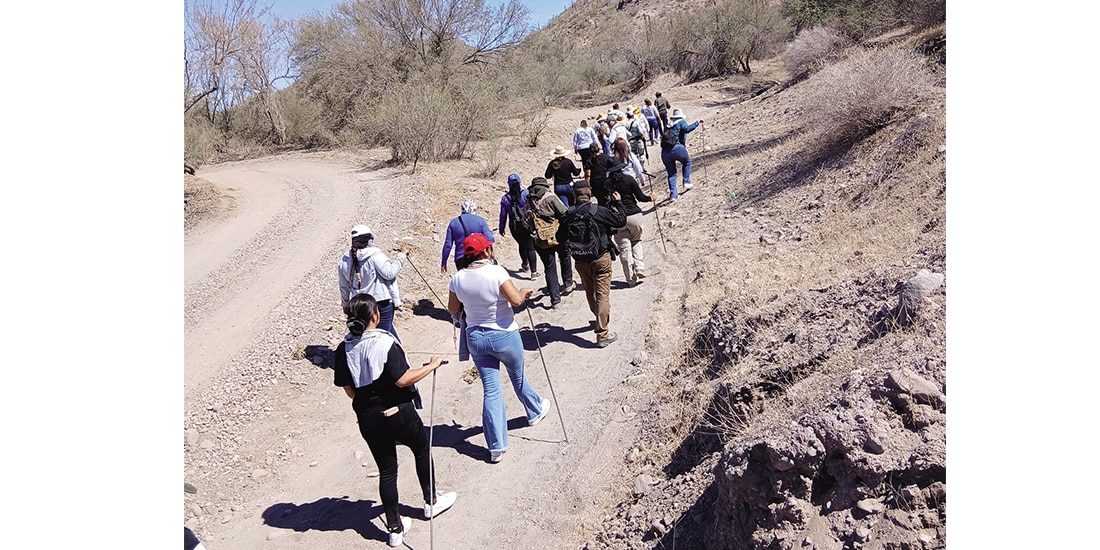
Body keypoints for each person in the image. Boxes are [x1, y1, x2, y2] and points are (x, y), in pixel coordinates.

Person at [333, 293, 458, 547]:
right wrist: (431, 366)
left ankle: (394, 529)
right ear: (375, 316)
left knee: (387, 470)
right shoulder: (385, 342)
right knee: (421, 448)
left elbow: (348, 389)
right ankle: (431, 501)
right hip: (397, 411)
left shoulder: (343, 348)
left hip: (368, 417)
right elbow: (403, 379)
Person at [447, 233, 551, 463]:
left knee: (491, 390)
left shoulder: (458, 278)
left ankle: (496, 446)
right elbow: (515, 301)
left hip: (475, 336)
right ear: (486, 252)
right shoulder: (496, 271)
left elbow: (453, 308)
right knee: (518, 377)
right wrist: (524, 292)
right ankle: (534, 411)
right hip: (503, 334)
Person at [563, 186, 627, 348]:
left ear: (574, 195)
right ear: (590, 194)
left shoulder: (568, 214)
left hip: (580, 260)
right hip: (601, 257)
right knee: (602, 296)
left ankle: (600, 317)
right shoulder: (599, 210)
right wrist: (618, 203)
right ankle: (603, 334)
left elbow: (560, 236)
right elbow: (620, 221)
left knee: (590, 293)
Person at [338, 224, 406, 340]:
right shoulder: (375, 255)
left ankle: (400, 355)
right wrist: (401, 256)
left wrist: (345, 304)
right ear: (368, 240)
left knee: (371, 336)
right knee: (384, 338)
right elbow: (389, 273)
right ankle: (397, 356)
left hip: (360, 305)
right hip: (381, 303)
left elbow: (343, 286)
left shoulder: (344, 260)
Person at [527, 177, 575, 307]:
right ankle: (568, 283)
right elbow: (564, 213)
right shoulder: (551, 197)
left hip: (540, 239)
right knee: (565, 256)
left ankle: (555, 299)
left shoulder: (529, 200)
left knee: (549, 267)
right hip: (557, 235)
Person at [605, 157, 653, 286]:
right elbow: (641, 197)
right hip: (635, 215)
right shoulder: (629, 179)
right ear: (620, 167)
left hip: (618, 218)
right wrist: (650, 198)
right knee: (636, 241)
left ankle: (631, 279)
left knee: (625, 248)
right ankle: (639, 266)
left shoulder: (606, 184)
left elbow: (605, 204)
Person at [498, 173, 538, 279]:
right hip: (527, 224)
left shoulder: (505, 198)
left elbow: (503, 215)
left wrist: (501, 228)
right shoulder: (526, 194)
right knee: (530, 247)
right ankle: (534, 272)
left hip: (514, 226)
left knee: (521, 244)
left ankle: (525, 264)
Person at [660, 108, 703, 203]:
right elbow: (687, 129)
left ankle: (673, 195)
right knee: (687, 162)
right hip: (677, 148)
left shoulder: (668, 125)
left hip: (665, 152)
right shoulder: (681, 122)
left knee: (671, 173)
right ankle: (686, 182)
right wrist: (697, 123)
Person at [441, 200, 495, 274]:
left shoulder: (454, 222)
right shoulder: (481, 221)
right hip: (478, 257)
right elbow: (490, 239)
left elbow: (448, 245)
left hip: (461, 259)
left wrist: (444, 263)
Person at [583, 142, 616, 207]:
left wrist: (587, 186)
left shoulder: (589, 161)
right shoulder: (606, 157)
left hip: (595, 185)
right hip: (606, 182)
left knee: (601, 201)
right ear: (598, 149)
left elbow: (587, 175)